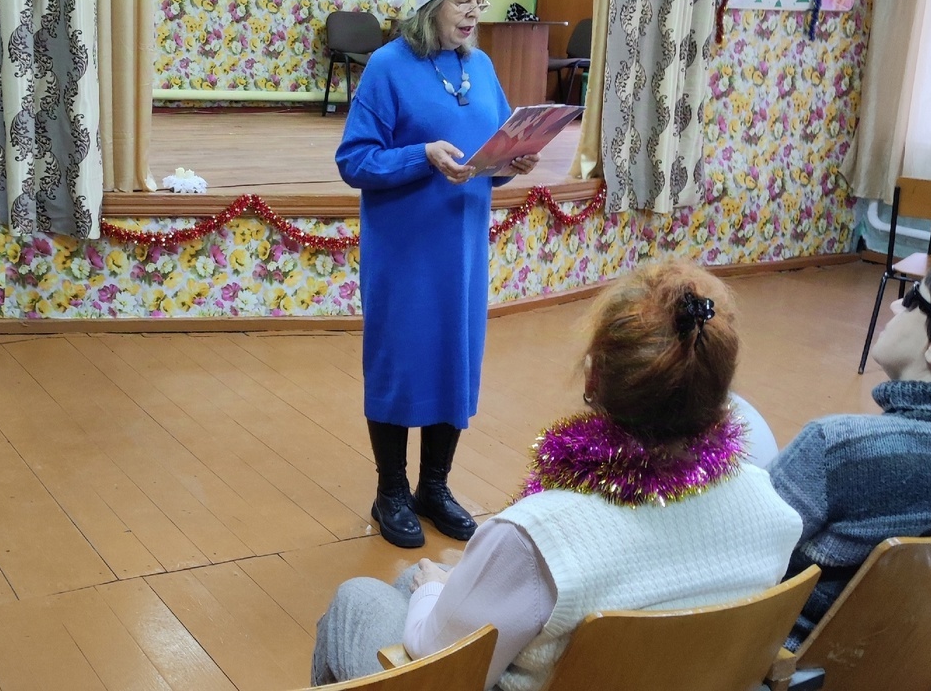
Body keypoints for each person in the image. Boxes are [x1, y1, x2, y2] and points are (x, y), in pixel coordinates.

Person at [311, 259, 803, 689]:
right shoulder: (773, 511)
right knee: (413, 583)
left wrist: (433, 591)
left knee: (359, 599)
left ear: (593, 377)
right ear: (721, 388)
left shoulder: (536, 539)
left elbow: (435, 659)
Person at [335, 0, 537, 550]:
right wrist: (420, 156)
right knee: (401, 362)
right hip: (406, 249)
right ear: (430, 5)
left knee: (454, 358)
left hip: (463, 250)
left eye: (480, 1)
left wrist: (512, 162)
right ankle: (391, 491)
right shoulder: (387, 67)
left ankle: (434, 486)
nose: (475, 12)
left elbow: (493, 149)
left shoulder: (481, 67)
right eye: (462, 1)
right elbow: (354, 160)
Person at [769, 259, 931, 648]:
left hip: (784, 660)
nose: (895, 305)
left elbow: (733, 558)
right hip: (896, 666)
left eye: (912, 299)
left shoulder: (837, 448)